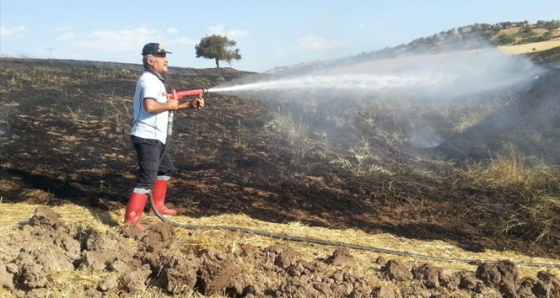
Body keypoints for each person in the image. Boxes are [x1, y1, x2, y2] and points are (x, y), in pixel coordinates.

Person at [124, 42, 204, 231]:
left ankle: (156, 206)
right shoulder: (149, 81)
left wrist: (188, 105)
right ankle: (131, 221)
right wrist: (172, 104)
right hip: (146, 136)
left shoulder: (156, 81)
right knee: (147, 178)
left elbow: (165, 107)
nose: (166, 60)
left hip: (156, 137)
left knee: (165, 168)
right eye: (161, 57)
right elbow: (150, 107)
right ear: (150, 61)